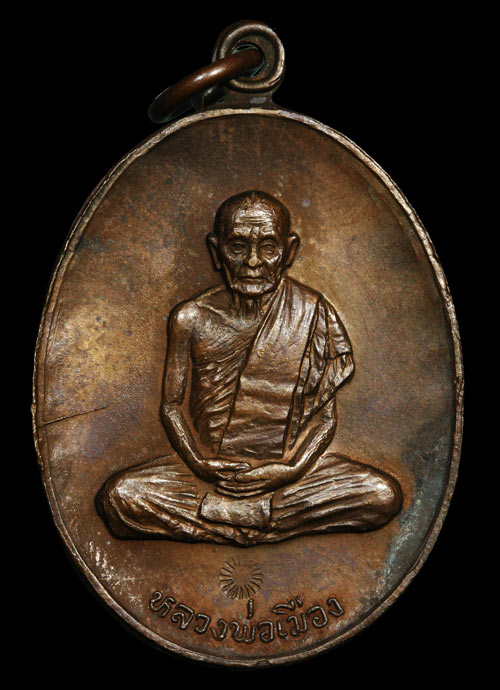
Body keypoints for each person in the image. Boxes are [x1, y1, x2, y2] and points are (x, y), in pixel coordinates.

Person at [96, 191, 402, 545]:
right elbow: (171, 407)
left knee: (381, 495)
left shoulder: (312, 312)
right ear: (216, 251)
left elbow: (324, 419)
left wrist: (291, 470)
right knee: (121, 497)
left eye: (268, 247)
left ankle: (226, 521)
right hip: (211, 477)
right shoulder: (191, 318)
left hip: (286, 480)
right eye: (238, 247)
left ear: (289, 252)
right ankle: (262, 523)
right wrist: (198, 464)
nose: (252, 262)